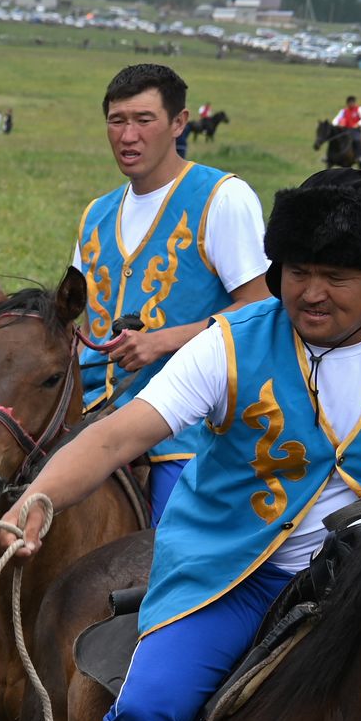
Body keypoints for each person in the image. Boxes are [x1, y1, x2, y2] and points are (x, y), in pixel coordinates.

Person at [6, 169, 361, 721]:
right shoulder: (227, 343)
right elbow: (117, 434)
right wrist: (39, 497)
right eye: (297, 273)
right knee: (146, 711)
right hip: (238, 575)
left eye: (336, 278)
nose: (311, 293)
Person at [74, 65, 270, 522]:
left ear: (179, 123)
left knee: (165, 553)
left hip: (185, 423)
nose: (128, 135)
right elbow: (81, 322)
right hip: (89, 412)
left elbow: (261, 306)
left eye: (144, 120)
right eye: (117, 120)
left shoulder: (222, 197)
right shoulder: (96, 214)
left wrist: (160, 341)